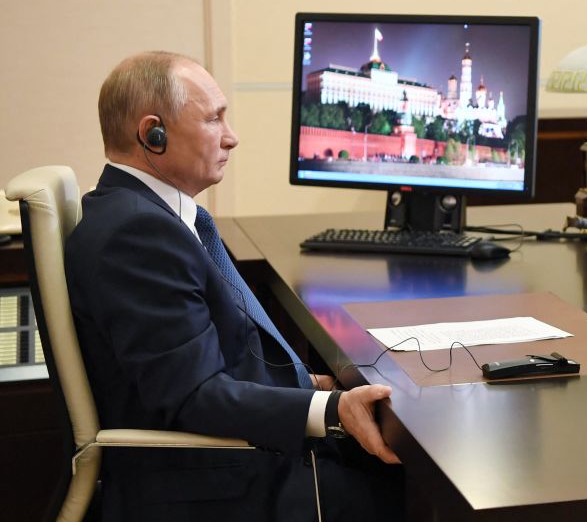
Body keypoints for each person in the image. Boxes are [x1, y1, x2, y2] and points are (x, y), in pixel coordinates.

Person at [64, 51, 404, 521]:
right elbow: (192, 395)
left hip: (233, 456)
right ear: (152, 134)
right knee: (421, 492)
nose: (232, 137)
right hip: (213, 484)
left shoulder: (154, 216)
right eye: (213, 119)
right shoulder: (136, 235)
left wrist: (315, 384)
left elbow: (216, 354)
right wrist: (329, 410)